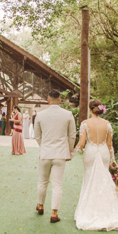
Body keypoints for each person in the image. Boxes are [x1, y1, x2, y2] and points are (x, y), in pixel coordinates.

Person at [72, 100, 118, 231]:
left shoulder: (85, 123)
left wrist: (72, 154)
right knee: (103, 180)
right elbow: (109, 145)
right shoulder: (107, 124)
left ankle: (88, 211)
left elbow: (81, 142)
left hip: (90, 153)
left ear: (90, 109)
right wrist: (113, 160)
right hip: (103, 153)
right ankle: (105, 211)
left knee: (89, 179)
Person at [34, 89, 76, 223]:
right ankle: (54, 213)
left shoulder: (40, 115)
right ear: (60, 100)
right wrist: (69, 151)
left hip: (45, 153)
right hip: (60, 154)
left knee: (42, 181)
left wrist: (43, 146)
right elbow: (72, 135)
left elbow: (37, 135)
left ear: (48, 100)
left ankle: (40, 205)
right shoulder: (68, 114)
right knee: (57, 184)